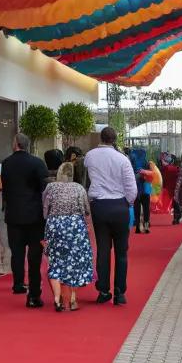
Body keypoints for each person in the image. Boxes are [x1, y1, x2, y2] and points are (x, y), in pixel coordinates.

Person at [84, 127, 136, 305]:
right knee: (121, 251)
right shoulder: (122, 159)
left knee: (103, 249)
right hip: (119, 206)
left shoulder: (90, 156)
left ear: (101, 137)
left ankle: (103, 290)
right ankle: (119, 292)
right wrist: (127, 203)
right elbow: (131, 188)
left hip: (99, 206)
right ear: (115, 140)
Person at [0, 132, 49, 307]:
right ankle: (34, 295)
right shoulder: (37, 163)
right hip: (35, 215)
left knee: (17, 252)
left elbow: (6, 187)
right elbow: (45, 188)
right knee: (34, 256)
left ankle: (18, 283)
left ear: (16, 144)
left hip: (14, 214)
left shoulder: (6, 163)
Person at [43, 162, 93, 310]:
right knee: (75, 261)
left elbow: (45, 209)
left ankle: (57, 299)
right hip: (75, 226)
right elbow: (86, 209)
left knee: (55, 261)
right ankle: (72, 299)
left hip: (55, 225)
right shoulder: (79, 188)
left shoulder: (51, 187)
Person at [128, 145, 152, 233]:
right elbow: (151, 174)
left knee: (137, 208)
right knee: (146, 208)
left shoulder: (131, 160)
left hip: (135, 188)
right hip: (145, 187)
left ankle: (138, 226)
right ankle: (146, 226)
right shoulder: (146, 161)